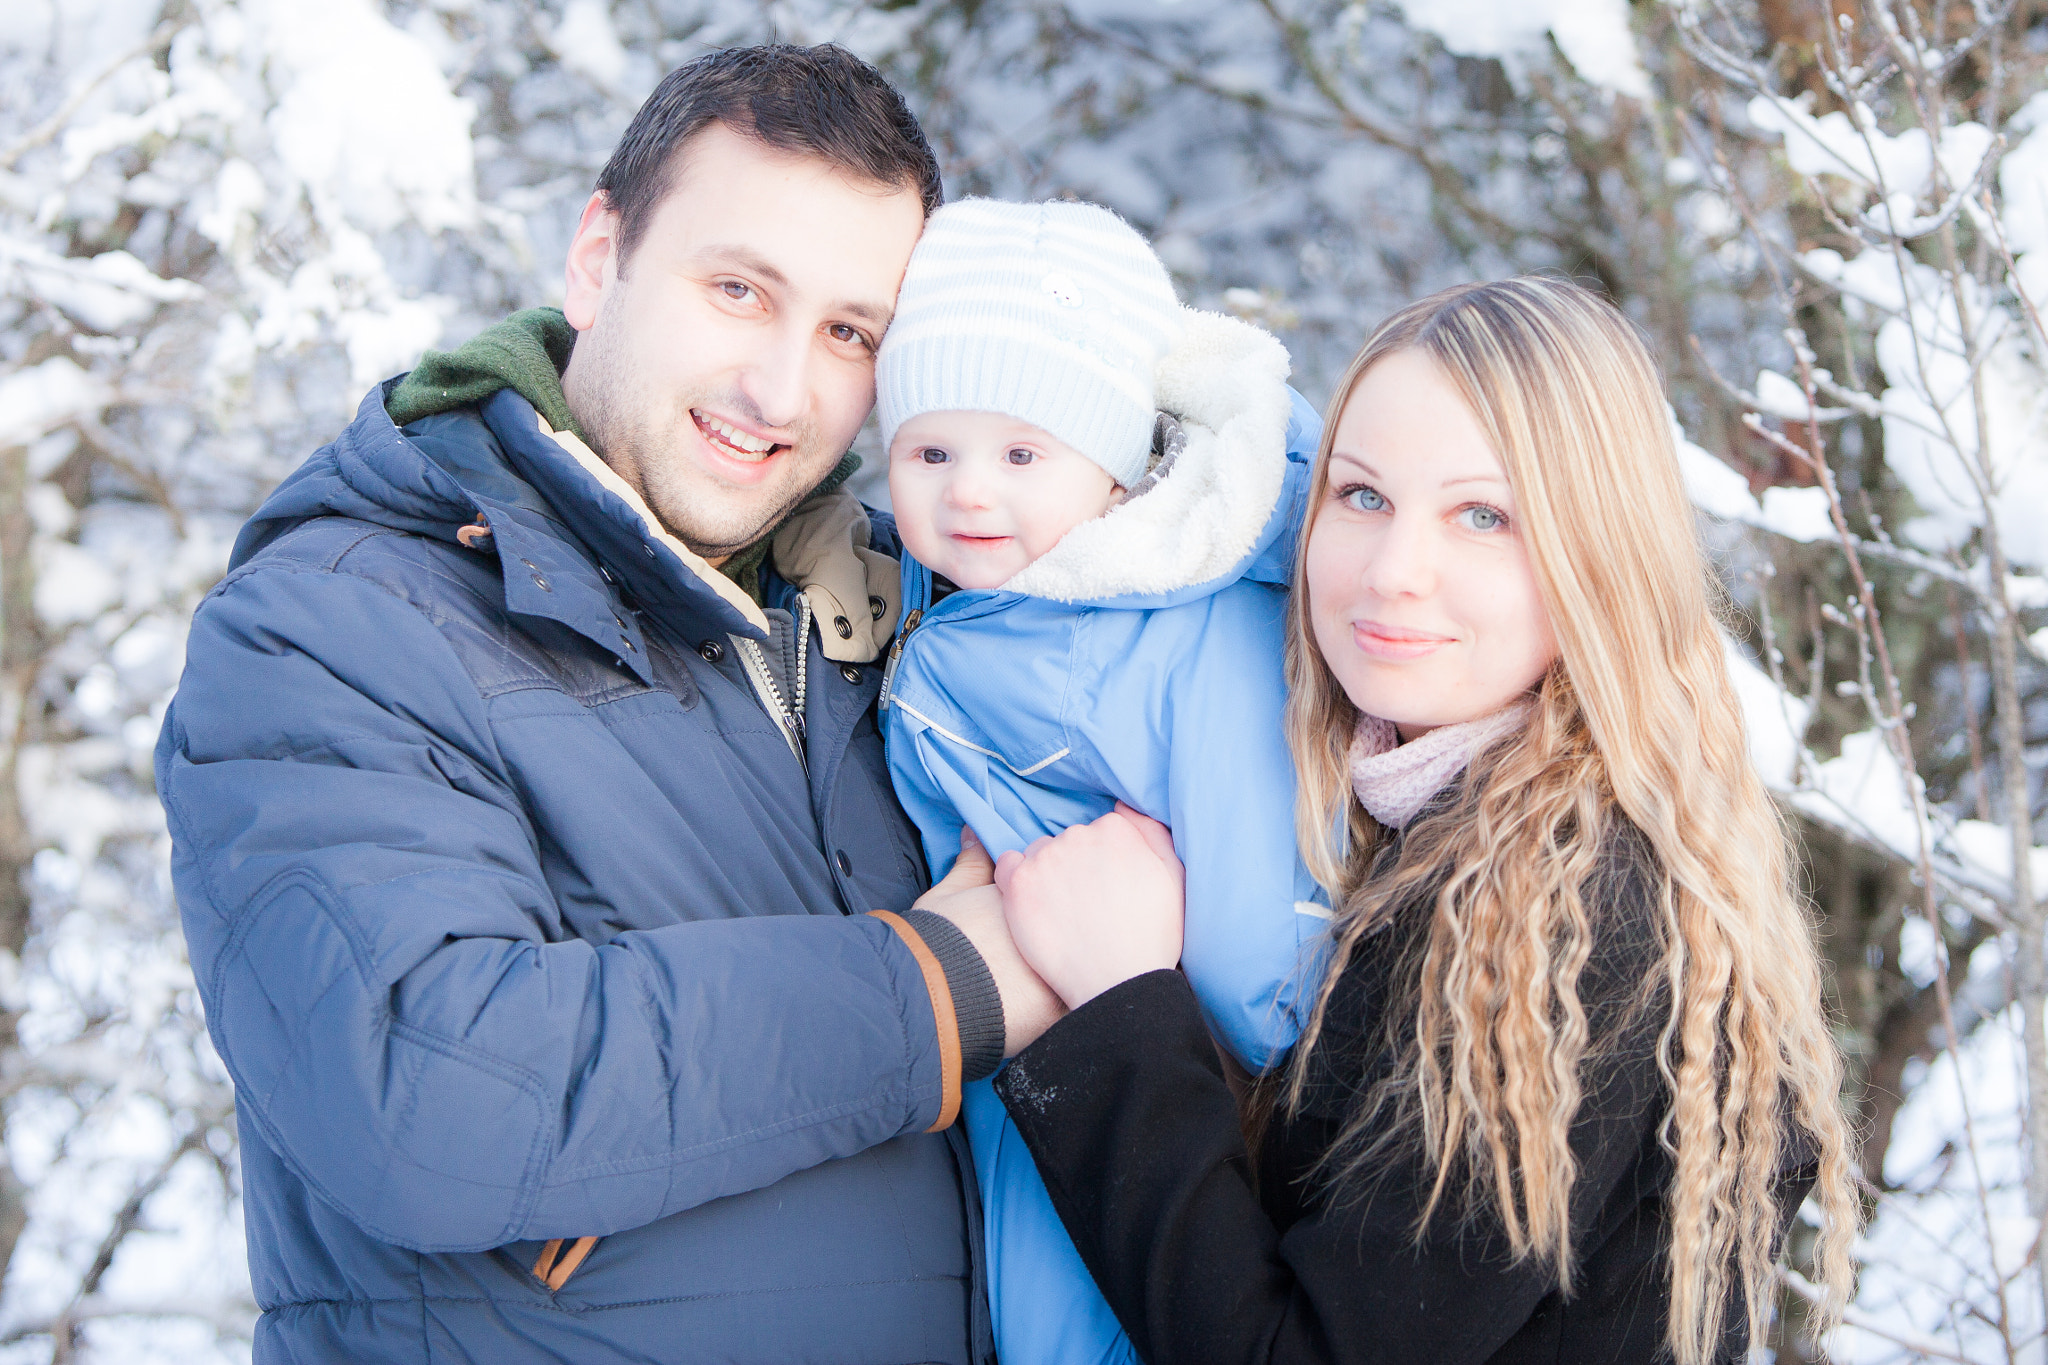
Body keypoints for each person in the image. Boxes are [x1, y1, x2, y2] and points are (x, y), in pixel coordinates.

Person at [155, 44, 1058, 1364]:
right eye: (740, 289)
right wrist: (949, 984)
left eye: (850, 333)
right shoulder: (336, 623)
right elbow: (431, 1092)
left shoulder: (917, 625)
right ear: (599, 258)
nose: (784, 388)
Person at [983, 277, 1861, 1363]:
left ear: (1599, 556)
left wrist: (1118, 1004)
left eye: (1482, 516)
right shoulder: (1424, 826)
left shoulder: (1567, 911)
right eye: (1359, 497)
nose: (1393, 571)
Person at [873, 198, 1325, 1365]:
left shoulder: (1173, 624)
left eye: (1021, 454)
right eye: (931, 452)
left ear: (1116, 472)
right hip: (1024, 1055)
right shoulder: (968, 609)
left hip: (1159, 1060)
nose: (969, 492)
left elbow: (1258, 875)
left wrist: (1198, 989)